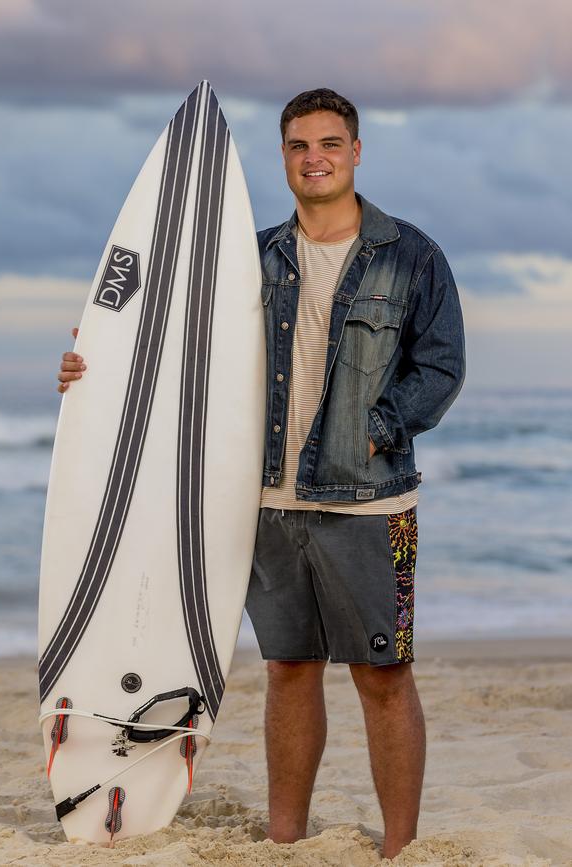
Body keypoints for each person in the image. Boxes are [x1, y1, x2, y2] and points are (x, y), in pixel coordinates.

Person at [56, 88, 465, 860]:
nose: (315, 157)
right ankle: (287, 838)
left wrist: (378, 429)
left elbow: (441, 366)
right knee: (288, 669)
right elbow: (177, 352)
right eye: (299, 145)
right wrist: (94, 366)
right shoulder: (249, 258)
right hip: (265, 504)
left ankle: (402, 846)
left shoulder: (411, 254)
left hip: (370, 504)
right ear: (283, 157)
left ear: (355, 151)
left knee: (383, 674)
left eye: (330, 143)